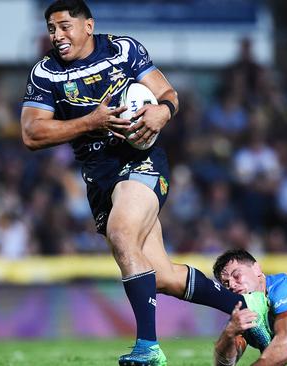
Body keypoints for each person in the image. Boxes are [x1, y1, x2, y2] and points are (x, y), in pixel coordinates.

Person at [20, 1, 270, 365]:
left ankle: (148, 348)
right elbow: (32, 133)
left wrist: (161, 112)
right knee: (162, 275)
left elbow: (169, 95)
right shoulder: (45, 73)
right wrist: (92, 121)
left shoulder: (123, 50)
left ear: (88, 26)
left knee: (123, 232)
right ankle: (244, 308)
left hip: (142, 161)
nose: (57, 36)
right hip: (99, 178)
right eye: (52, 29)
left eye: (65, 26)